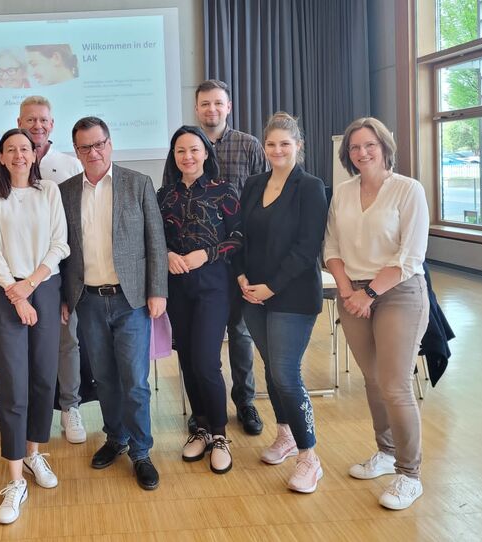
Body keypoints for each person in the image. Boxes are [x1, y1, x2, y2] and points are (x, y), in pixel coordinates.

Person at [324, 117, 430, 510]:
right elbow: (331, 245)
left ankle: (409, 474)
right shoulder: (344, 192)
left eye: (369, 145)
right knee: (372, 379)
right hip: (352, 293)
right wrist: (350, 290)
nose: (362, 152)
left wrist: (368, 293)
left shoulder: (408, 190)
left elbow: (409, 257)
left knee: (394, 383)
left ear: (385, 147)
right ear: (347, 154)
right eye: (354, 148)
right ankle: (385, 453)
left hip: (398, 293)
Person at [59, 116, 168, 490]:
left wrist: (158, 291)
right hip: (88, 300)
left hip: (131, 300)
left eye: (99, 143)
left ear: (110, 143)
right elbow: (62, 253)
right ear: (76, 151)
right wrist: (65, 299)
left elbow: (156, 242)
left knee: (135, 381)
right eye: (85, 147)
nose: (94, 152)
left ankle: (141, 451)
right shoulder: (66, 191)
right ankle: (115, 437)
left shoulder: (137, 184)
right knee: (104, 377)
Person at [0, 129, 70, 524]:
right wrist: (16, 295)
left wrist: (30, 286)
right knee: (13, 381)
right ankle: (15, 479)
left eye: (25, 149)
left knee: (44, 378)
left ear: (35, 154)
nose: (18, 155)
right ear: (0, 157)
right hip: (4, 291)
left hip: (44, 287)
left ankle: (34, 453)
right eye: (11, 149)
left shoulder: (49, 191)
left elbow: (60, 243)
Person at [235, 112, 328, 493]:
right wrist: (241, 276)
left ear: (298, 147)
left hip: (291, 294)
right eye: (271, 144)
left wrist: (271, 286)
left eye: (284, 144)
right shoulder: (254, 183)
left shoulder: (310, 186)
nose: (277, 150)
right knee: (272, 369)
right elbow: (239, 234)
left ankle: (309, 457)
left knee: (287, 374)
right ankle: (285, 434)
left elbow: (308, 247)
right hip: (252, 293)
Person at [0, 96, 86, 444]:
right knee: (15, 370)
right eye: (30, 120)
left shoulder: (63, 171)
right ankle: (15, 443)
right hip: (9, 287)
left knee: (59, 353)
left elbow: (69, 235)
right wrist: (17, 289)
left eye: (43, 120)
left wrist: (42, 283)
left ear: (51, 125)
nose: (38, 125)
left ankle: (63, 416)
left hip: (50, 280)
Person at [175, 79, 268, 436]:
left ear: (228, 107)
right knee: (201, 342)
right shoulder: (189, 146)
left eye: (218, 103)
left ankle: (245, 403)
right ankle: (205, 409)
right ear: (196, 109)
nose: (211, 110)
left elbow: (263, 197)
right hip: (200, 267)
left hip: (240, 257)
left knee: (240, 334)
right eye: (204, 104)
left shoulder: (249, 145)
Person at [157, 126, 241, 474]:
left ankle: (220, 434)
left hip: (213, 284)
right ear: (173, 157)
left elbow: (239, 236)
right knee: (188, 360)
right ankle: (202, 428)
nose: (187, 157)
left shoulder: (224, 191)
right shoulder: (164, 195)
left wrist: (205, 254)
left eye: (194, 150)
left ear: (206, 152)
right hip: (177, 286)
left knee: (207, 360)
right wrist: (166, 254)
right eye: (180, 151)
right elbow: (153, 237)